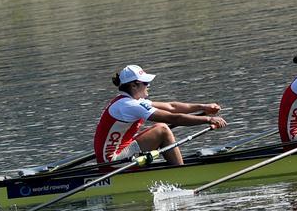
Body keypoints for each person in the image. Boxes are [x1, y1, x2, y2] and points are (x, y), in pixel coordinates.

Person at [93, 65, 228, 165]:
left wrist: (203, 107)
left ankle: (175, 165)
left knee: (160, 127)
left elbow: (172, 107)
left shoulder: (130, 101)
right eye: (145, 83)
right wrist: (208, 119)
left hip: (119, 153)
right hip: (112, 163)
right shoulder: (129, 105)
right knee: (162, 129)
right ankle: (180, 171)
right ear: (134, 86)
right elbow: (173, 118)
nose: (148, 85)